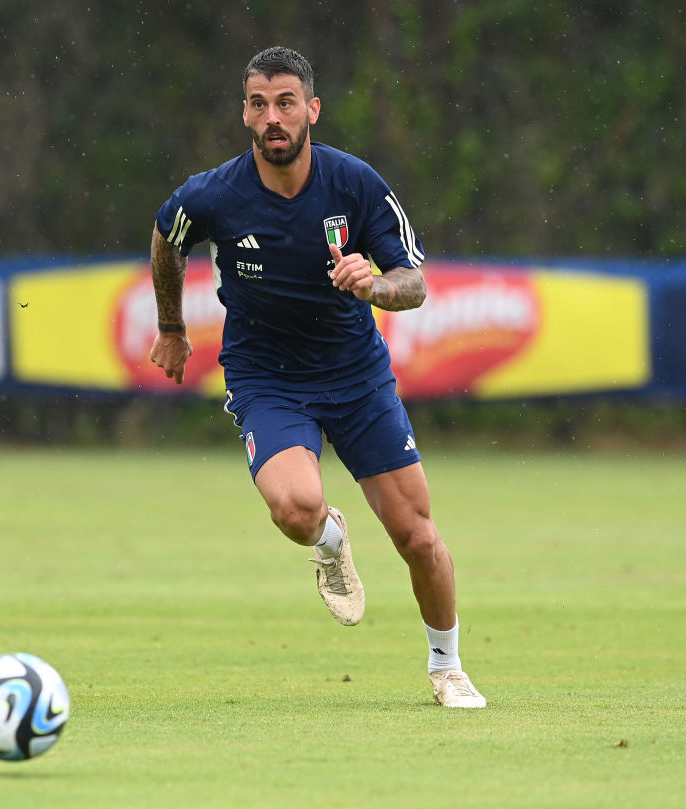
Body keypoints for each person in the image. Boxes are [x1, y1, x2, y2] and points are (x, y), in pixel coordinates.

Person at [148, 46, 485, 708]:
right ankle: (329, 539)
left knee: (417, 535)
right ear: (244, 113)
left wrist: (376, 286)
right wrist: (172, 327)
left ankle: (447, 666)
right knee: (296, 509)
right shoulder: (213, 194)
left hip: (356, 376)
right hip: (266, 376)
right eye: (258, 103)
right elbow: (167, 239)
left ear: (312, 110)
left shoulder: (355, 183)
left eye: (285, 102)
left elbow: (413, 283)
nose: (272, 116)